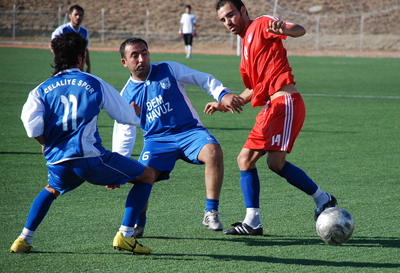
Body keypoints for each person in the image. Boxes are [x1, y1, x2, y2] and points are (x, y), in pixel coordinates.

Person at [10, 32, 156, 255]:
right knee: (146, 176)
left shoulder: (40, 89)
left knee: (51, 189)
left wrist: (46, 142)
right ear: (81, 57)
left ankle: (23, 239)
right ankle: (126, 236)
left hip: (58, 160)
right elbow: (125, 116)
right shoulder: (93, 82)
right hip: (90, 160)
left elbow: (32, 127)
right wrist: (134, 114)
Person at [204, 0, 337, 236]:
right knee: (274, 164)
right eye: (223, 20)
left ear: (243, 11)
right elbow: (255, 89)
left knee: (245, 159)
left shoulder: (261, 24)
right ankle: (323, 199)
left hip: (284, 103)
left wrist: (285, 30)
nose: (228, 22)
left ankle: (253, 221)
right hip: (274, 105)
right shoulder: (245, 46)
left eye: (231, 15)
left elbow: (299, 29)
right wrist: (225, 104)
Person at [112, 37, 245, 238]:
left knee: (213, 151)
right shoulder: (126, 94)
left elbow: (202, 78)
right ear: (124, 62)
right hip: (157, 141)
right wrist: (117, 167)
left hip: (190, 132)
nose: (141, 58)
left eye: (144, 53)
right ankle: (138, 224)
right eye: (135, 55)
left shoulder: (168, 69)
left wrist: (221, 94)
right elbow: (124, 132)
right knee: (142, 176)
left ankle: (211, 212)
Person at [51, 5, 91, 73]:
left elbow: (85, 49)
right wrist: (62, 59)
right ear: (70, 16)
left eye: (80, 15)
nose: (78, 17)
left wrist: (88, 66)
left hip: (78, 68)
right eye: (76, 14)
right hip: (63, 67)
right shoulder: (62, 30)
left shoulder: (84, 31)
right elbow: (52, 45)